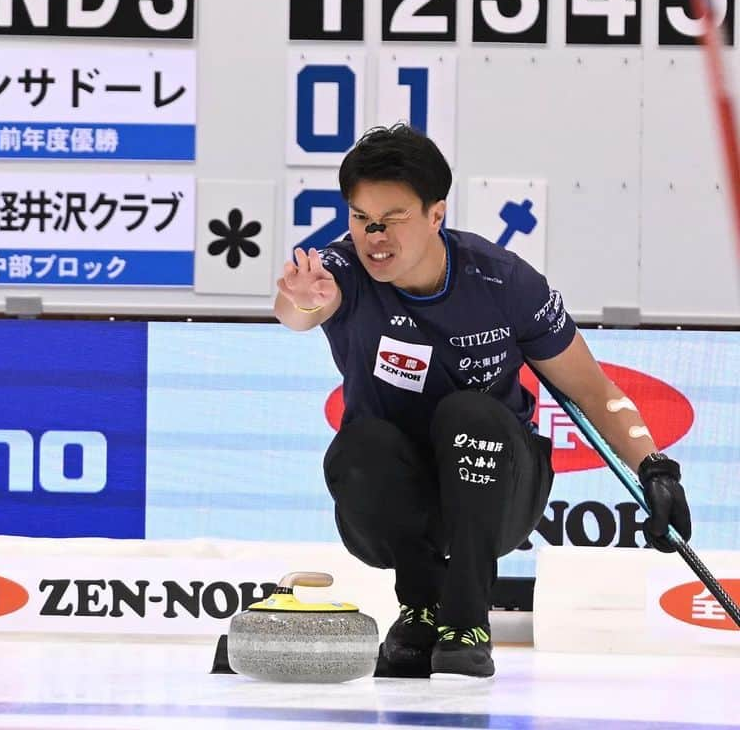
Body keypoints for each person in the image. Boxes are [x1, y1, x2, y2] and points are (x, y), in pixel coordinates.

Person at [274, 124, 692, 678]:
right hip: (394, 502)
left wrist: (654, 468)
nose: (374, 236)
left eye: (392, 219)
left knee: (468, 412)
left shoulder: (505, 283)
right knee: (363, 442)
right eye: (360, 219)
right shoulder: (343, 271)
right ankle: (419, 609)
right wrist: (296, 302)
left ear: (435, 214)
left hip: (497, 491)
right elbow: (300, 312)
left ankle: (469, 618)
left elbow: (594, 390)